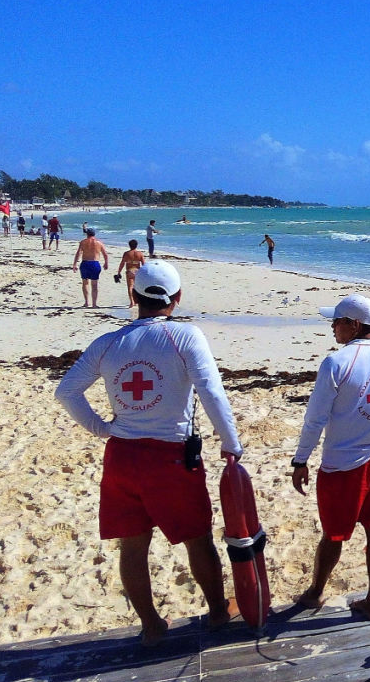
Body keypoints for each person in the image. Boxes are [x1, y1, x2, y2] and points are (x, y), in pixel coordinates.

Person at [55, 260, 243, 646]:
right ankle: (219, 613)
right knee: (197, 539)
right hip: (170, 459)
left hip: (121, 457)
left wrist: (102, 428)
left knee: (133, 544)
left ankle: (152, 626)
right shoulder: (186, 337)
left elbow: (66, 392)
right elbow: (211, 391)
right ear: (176, 299)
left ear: (133, 295)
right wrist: (231, 443)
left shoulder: (107, 343)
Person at [291, 293, 370, 620]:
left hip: (345, 464)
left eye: (338, 321)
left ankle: (315, 592)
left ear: (354, 325)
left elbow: (315, 419)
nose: (332, 326)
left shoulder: (336, 362)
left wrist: (300, 460)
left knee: (334, 533)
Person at [72, 228, 109, 308]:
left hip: (85, 263)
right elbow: (105, 254)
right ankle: (94, 304)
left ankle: (86, 302)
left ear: (87, 234)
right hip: (95, 263)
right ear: (94, 234)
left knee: (85, 283)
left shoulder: (83, 242)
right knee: (94, 285)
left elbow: (78, 253)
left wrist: (75, 264)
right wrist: (106, 263)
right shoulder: (99, 243)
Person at [116, 239, 146, 307]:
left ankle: (132, 302)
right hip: (137, 271)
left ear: (129, 245)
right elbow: (144, 264)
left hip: (130, 271)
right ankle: (137, 301)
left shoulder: (126, 253)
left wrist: (119, 272)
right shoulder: (140, 253)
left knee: (130, 287)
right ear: (136, 245)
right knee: (137, 287)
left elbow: (122, 263)